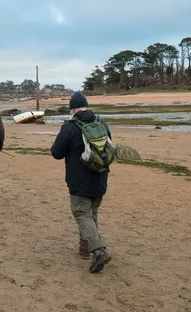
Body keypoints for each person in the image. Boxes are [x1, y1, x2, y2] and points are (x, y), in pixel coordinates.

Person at [50, 92, 113, 274]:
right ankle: (85, 249)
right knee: (91, 213)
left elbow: (57, 153)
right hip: (100, 176)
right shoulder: (101, 123)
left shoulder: (70, 127)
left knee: (81, 214)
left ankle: (98, 251)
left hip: (79, 180)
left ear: (74, 109)